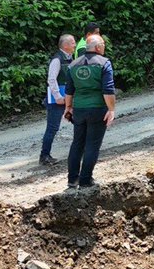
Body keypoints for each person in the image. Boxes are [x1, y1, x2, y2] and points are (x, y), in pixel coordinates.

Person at [64, 34, 115, 190]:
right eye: (104, 45)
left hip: (78, 109)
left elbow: (69, 90)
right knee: (92, 145)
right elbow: (108, 90)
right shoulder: (104, 63)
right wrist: (111, 109)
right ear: (98, 47)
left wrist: (68, 108)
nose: (104, 48)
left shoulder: (73, 64)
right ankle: (86, 180)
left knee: (77, 144)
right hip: (97, 108)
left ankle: (72, 180)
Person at [40, 34, 75, 166]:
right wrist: (58, 97)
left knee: (79, 121)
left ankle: (80, 148)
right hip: (57, 100)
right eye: (72, 43)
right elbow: (51, 79)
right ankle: (44, 156)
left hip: (67, 97)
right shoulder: (57, 60)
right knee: (52, 128)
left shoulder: (70, 58)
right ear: (65, 45)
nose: (75, 45)